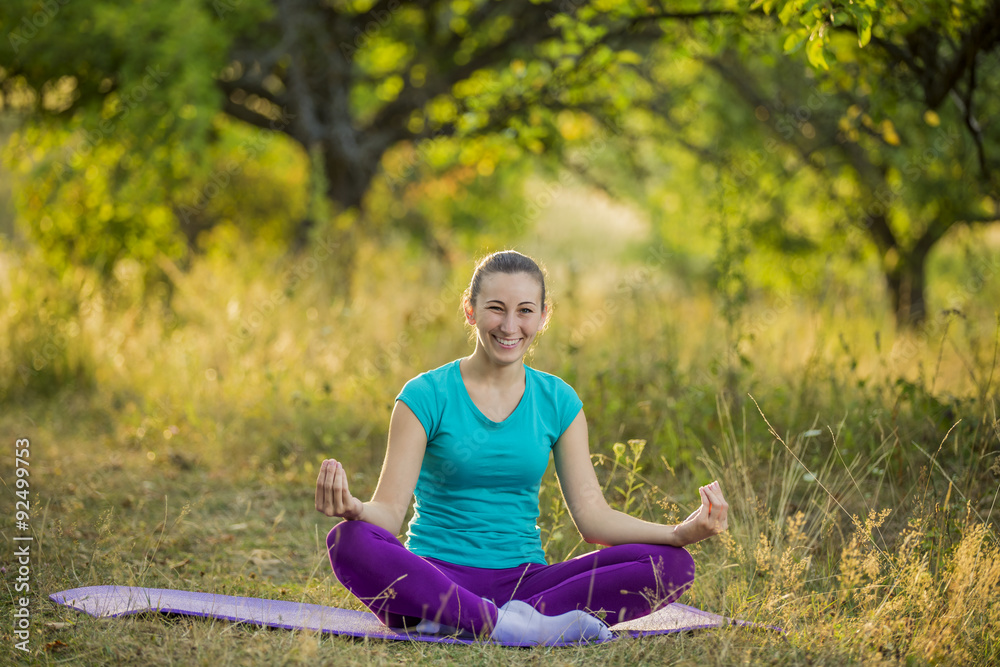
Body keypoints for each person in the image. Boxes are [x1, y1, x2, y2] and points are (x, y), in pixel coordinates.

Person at [315, 250, 729, 645]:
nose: (510, 326)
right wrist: (356, 510)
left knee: (672, 565)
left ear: (543, 316)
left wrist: (679, 533)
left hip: (526, 583)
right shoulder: (425, 394)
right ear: (470, 309)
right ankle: (505, 626)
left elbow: (594, 520)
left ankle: (466, 620)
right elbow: (386, 515)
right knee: (349, 541)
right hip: (434, 575)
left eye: (525, 311)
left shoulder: (558, 401)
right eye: (496, 307)